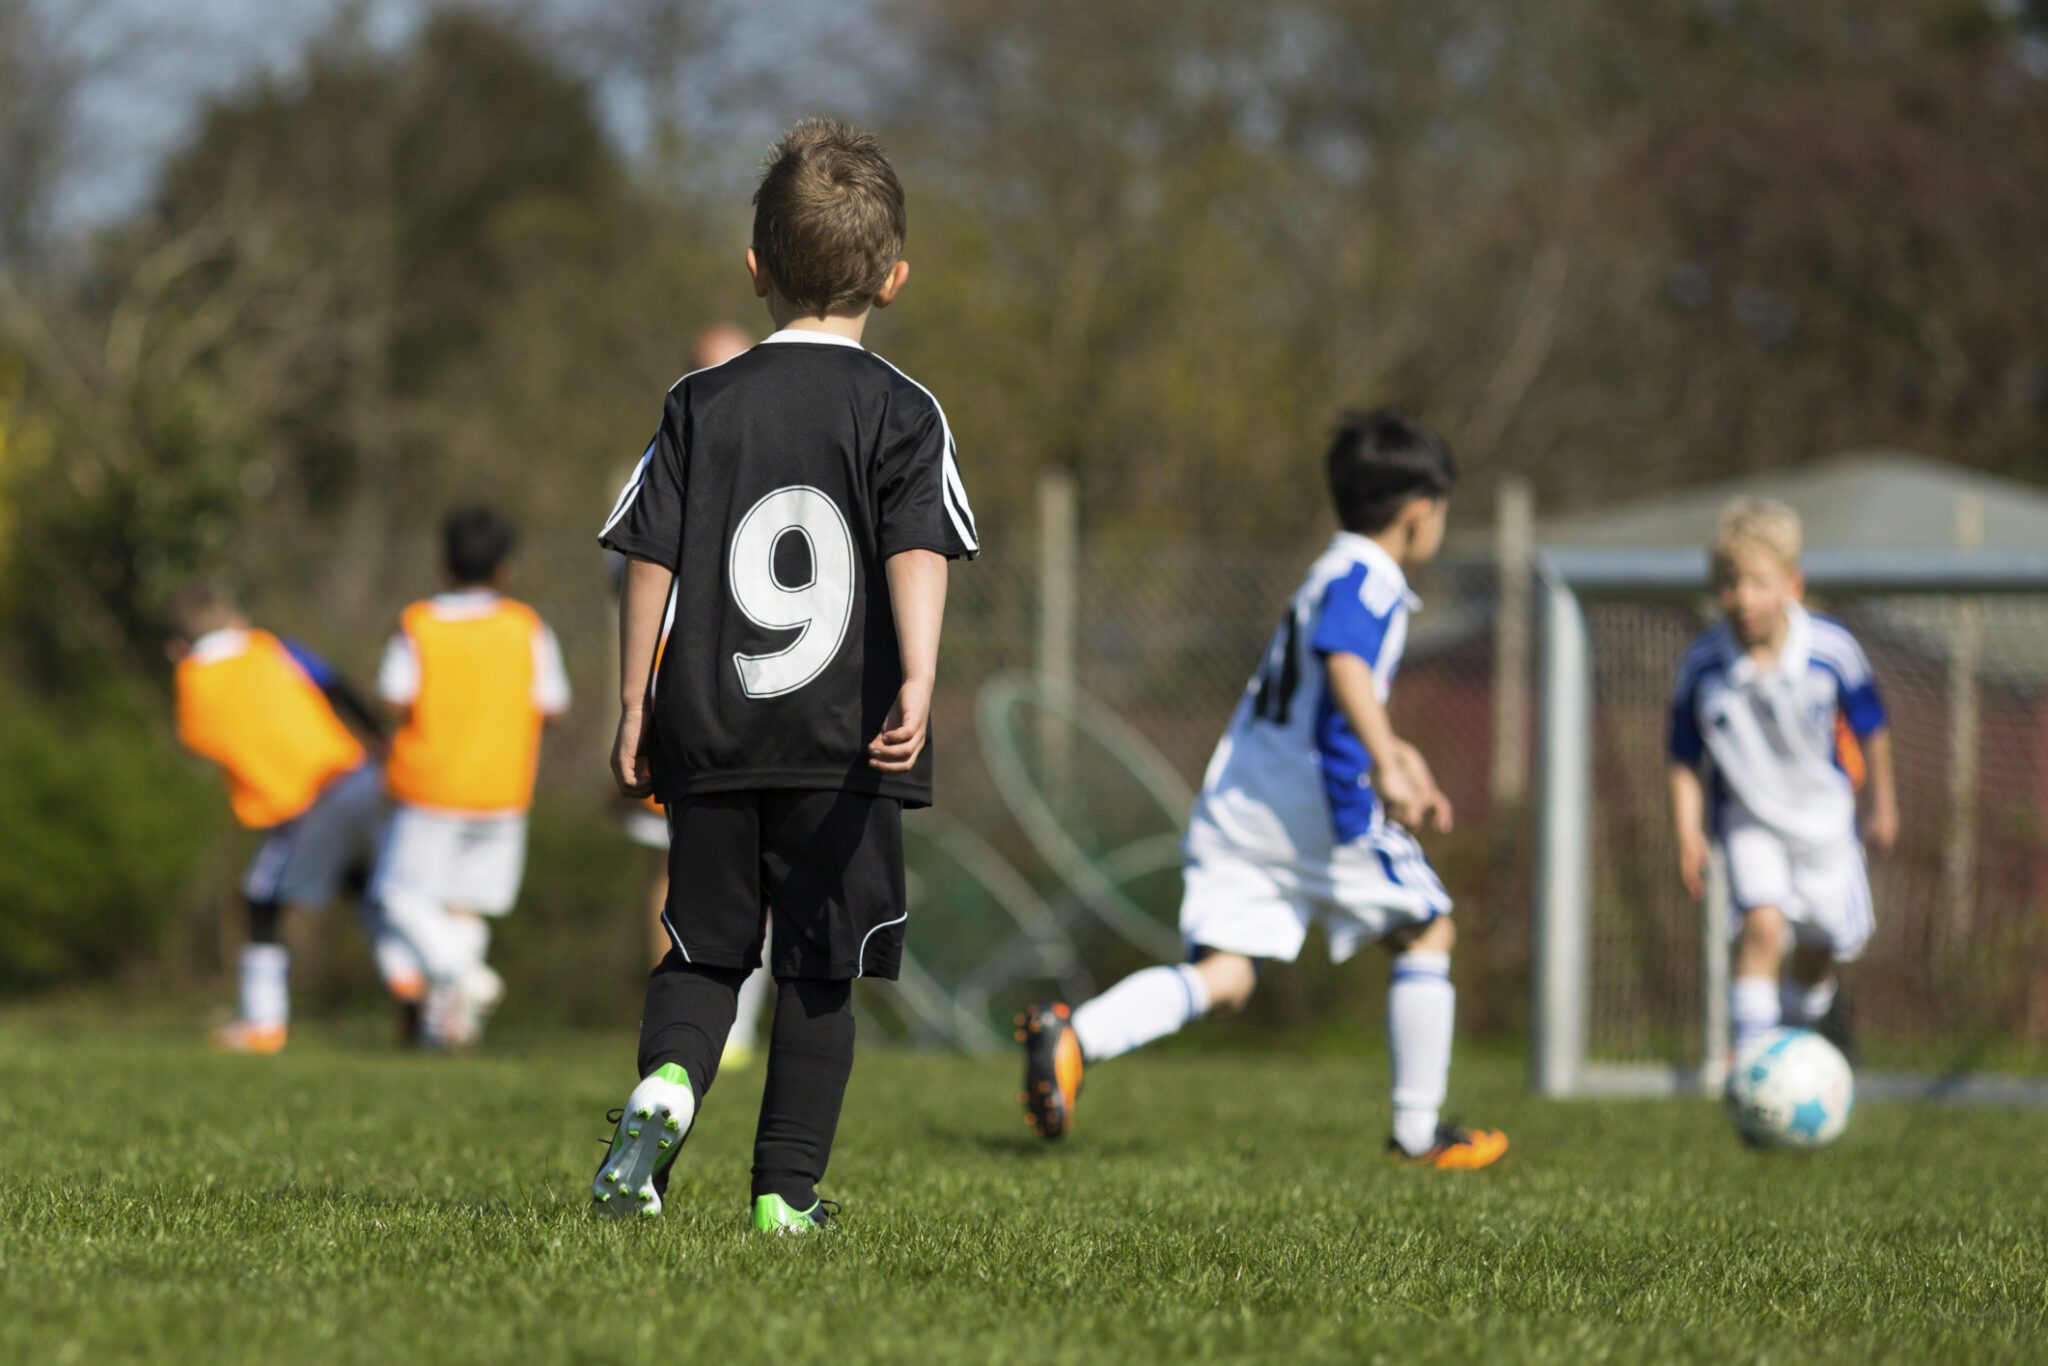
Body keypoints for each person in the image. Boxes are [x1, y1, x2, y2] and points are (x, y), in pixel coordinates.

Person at [591, 118, 977, 1231]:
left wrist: (634, 701)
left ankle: (665, 1085)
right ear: (893, 279)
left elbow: (647, 556)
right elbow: (917, 548)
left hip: (708, 728)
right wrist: (915, 678)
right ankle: (782, 1197)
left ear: (753, 266)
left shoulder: (697, 401)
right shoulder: (904, 410)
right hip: (842, 743)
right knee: (818, 969)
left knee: (703, 947)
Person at [1016, 410, 1507, 1170]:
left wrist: (1396, 753)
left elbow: (1337, 688)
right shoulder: (1370, 580)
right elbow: (1345, 664)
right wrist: (1381, 760)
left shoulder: (1329, 569)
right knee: (1429, 930)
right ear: (1421, 512)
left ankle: (1076, 1037)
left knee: (1227, 976)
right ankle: (1418, 1135)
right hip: (1319, 809)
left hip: (1242, 801)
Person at [1668, 498, 1896, 1065]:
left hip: (1825, 821)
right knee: (1764, 926)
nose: (1743, 598)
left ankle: (1796, 1039)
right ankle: (1749, 1066)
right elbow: (1681, 756)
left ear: (1793, 585)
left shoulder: (1833, 650)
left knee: (1820, 942)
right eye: (1729, 583)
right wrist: (1687, 831)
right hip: (1748, 819)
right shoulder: (1702, 666)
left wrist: (1882, 806)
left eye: (1759, 582)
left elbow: (1873, 729)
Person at [612, 321, 774, 1071]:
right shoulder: (664, 456)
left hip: (776, 695)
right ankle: (678, 1023)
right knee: (674, 870)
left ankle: (730, 1032)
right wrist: (637, 701)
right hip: (689, 694)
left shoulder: (793, 453)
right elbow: (637, 580)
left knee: (773, 866)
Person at [166, 581, 408, 1052]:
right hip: (357, 773)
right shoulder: (273, 646)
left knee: (261, 900)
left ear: (178, 647)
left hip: (304, 801)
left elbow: (195, 744)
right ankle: (408, 984)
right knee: (362, 884)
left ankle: (263, 1025)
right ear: (235, 620)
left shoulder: (192, 679)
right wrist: (379, 736)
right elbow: (334, 682)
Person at [371, 505, 571, 1049]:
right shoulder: (527, 627)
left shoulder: (418, 623)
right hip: (503, 789)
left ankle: (464, 978)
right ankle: (452, 1029)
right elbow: (553, 705)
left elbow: (392, 696)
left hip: (429, 785)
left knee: (397, 898)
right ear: (505, 569)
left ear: (441, 563)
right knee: (466, 904)